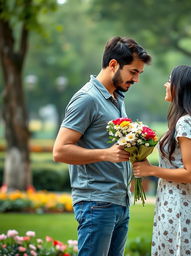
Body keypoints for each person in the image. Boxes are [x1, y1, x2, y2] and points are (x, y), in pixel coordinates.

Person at [53, 36, 151, 256]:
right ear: (114, 64)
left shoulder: (117, 98)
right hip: (96, 204)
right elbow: (59, 151)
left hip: (119, 202)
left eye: (139, 74)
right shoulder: (87, 99)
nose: (136, 80)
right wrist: (106, 154)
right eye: (133, 72)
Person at [133, 65, 191, 256]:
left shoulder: (185, 122)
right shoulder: (187, 120)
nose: (165, 84)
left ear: (181, 87)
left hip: (179, 207)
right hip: (173, 203)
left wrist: (151, 170)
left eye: (170, 80)